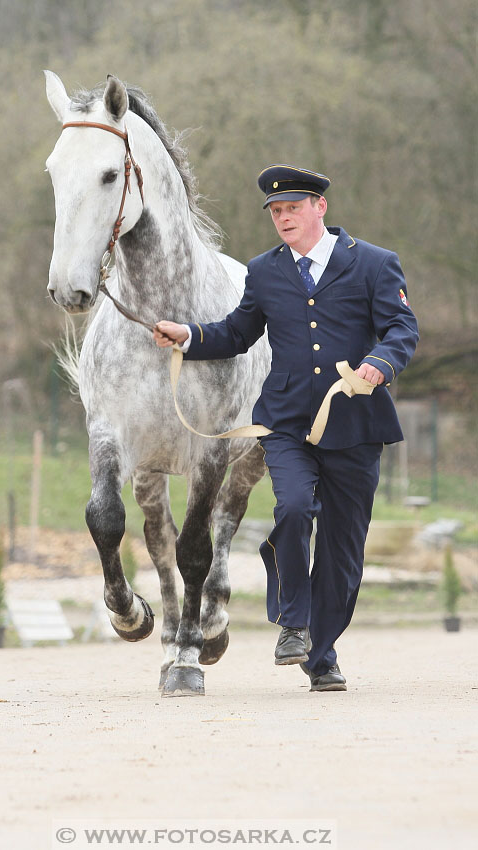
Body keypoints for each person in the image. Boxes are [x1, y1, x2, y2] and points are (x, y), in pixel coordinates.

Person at [153, 165, 419, 692]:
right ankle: (293, 622)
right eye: (275, 212)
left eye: (291, 208)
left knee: (343, 551)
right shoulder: (265, 271)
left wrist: (382, 363)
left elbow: (401, 328)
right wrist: (188, 335)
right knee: (294, 508)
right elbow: (237, 332)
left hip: (356, 425)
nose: (282, 218)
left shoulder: (374, 264)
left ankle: (321, 658)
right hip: (288, 423)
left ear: (320, 207)